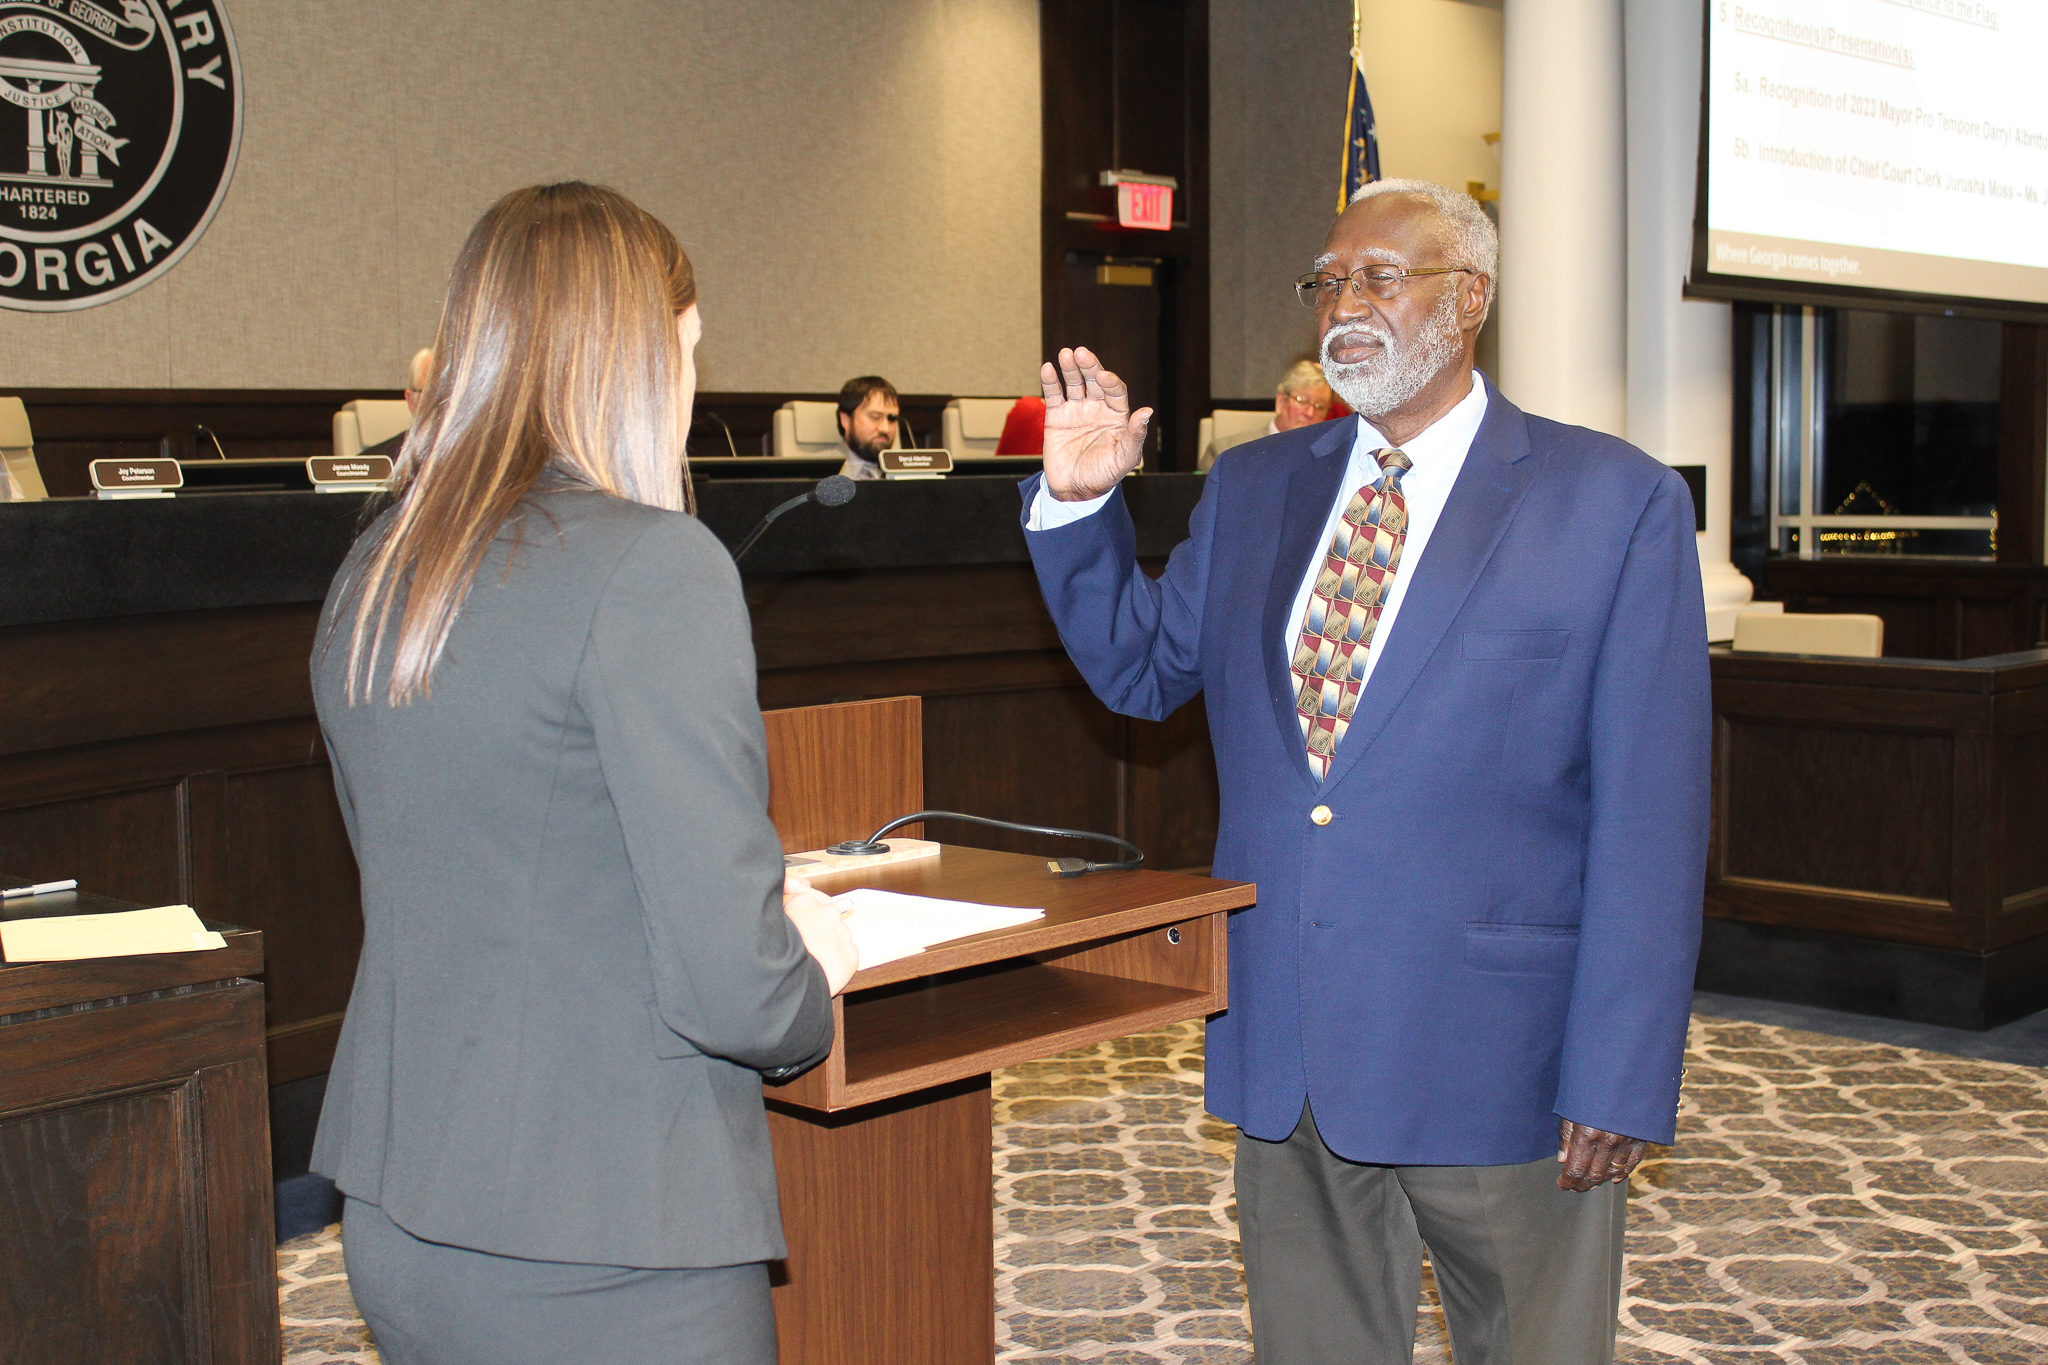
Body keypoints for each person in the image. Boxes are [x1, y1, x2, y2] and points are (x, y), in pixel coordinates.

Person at [1020, 179, 1709, 1364]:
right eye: (1329, 280)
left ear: (1469, 299)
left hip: (1503, 1064)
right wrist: (1079, 508)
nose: (1345, 303)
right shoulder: (1255, 487)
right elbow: (1140, 673)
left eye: (1381, 277)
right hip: (1288, 1046)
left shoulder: (1609, 501)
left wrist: (1621, 1071)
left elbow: (1652, 816)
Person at [310, 182, 859, 1365]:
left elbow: (460, 873)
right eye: (690, 348)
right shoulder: (656, 567)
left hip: (403, 1215)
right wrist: (813, 969)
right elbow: (734, 987)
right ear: (633, 358)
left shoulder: (380, 566)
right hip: (610, 1244)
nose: (694, 383)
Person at [1198, 359, 1338, 471]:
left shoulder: (1330, 460)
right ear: (1280, 401)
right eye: (1302, 401)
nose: (1310, 413)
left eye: (1320, 406)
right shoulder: (1225, 452)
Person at [359, 348, 434, 459]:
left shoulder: (468, 462)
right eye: (431, 392)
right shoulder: (377, 465)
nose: (443, 401)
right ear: (412, 401)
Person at [834, 374, 900, 479]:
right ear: (845, 420)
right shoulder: (822, 475)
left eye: (891, 418)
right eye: (875, 417)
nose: (885, 428)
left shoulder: (904, 474)